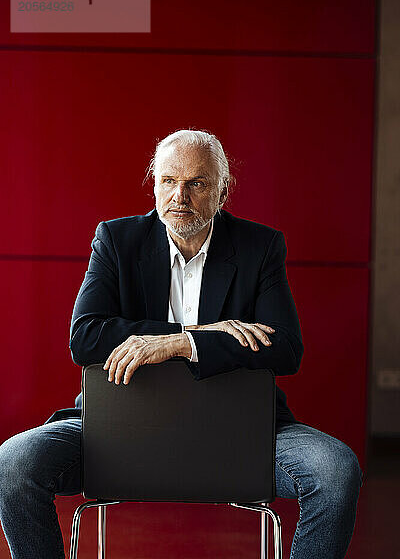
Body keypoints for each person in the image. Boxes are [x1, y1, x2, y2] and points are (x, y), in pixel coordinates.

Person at [0, 129, 362, 559]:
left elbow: (285, 348)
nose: (179, 196)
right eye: (168, 181)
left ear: (223, 191)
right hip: (117, 426)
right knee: (13, 464)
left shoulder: (259, 247)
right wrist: (197, 336)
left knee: (336, 470)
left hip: (240, 429)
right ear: (153, 185)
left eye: (196, 183)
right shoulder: (117, 241)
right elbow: (85, 337)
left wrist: (185, 345)